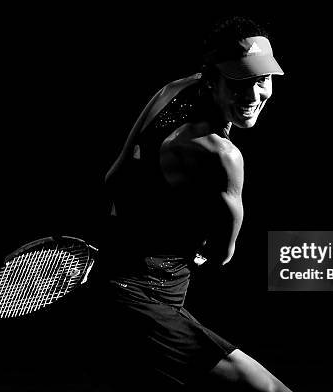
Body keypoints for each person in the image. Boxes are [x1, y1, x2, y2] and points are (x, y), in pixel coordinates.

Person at [101, 17, 292, 391]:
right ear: (212, 80)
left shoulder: (174, 91)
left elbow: (115, 178)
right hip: (143, 296)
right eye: (239, 82)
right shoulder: (222, 156)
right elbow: (221, 254)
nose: (253, 96)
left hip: (126, 280)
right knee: (269, 389)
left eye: (262, 80)